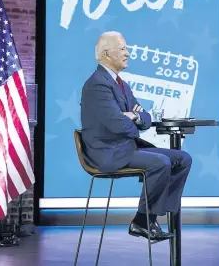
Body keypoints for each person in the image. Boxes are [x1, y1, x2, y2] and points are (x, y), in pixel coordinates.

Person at [80, 31, 192, 241]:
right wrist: (133, 119)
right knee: (161, 162)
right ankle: (143, 221)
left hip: (126, 147)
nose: (128, 53)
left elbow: (146, 117)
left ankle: (153, 218)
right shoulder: (97, 84)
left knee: (182, 159)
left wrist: (133, 117)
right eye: (122, 48)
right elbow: (117, 124)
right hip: (108, 153)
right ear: (106, 53)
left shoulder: (121, 84)